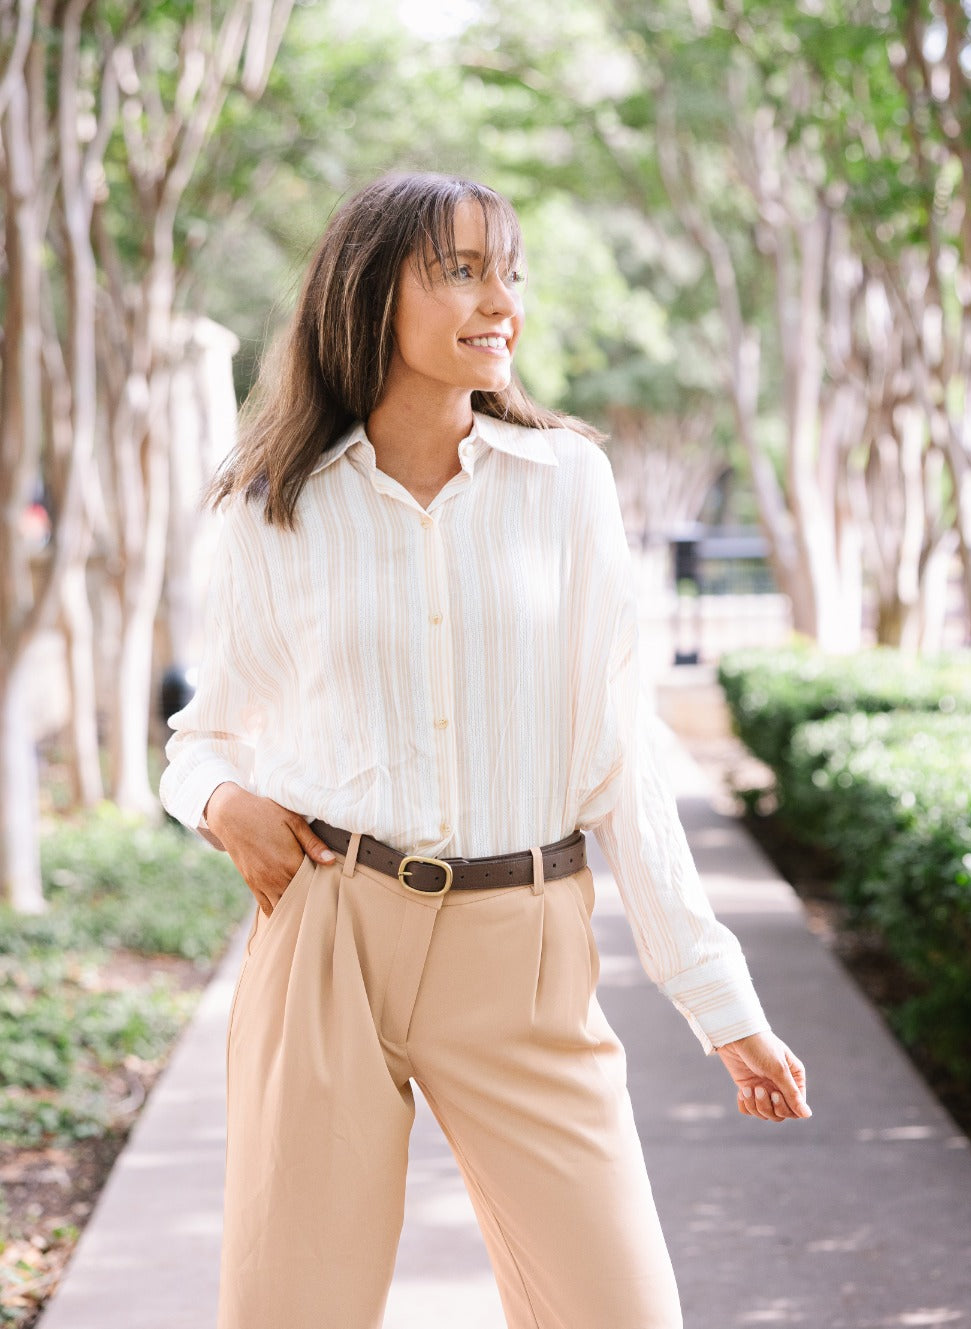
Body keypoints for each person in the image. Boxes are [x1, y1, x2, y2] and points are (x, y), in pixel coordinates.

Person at [159, 170, 811, 1329]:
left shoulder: (567, 485)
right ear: (367, 294)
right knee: (291, 1311)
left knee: (619, 1311)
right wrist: (216, 798)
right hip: (328, 934)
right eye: (459, 269)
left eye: (507, 270)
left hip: (523, 947)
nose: (498, 298)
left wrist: (720, 999)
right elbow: (202, 733)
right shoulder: (273, 508)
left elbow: (621, 752)